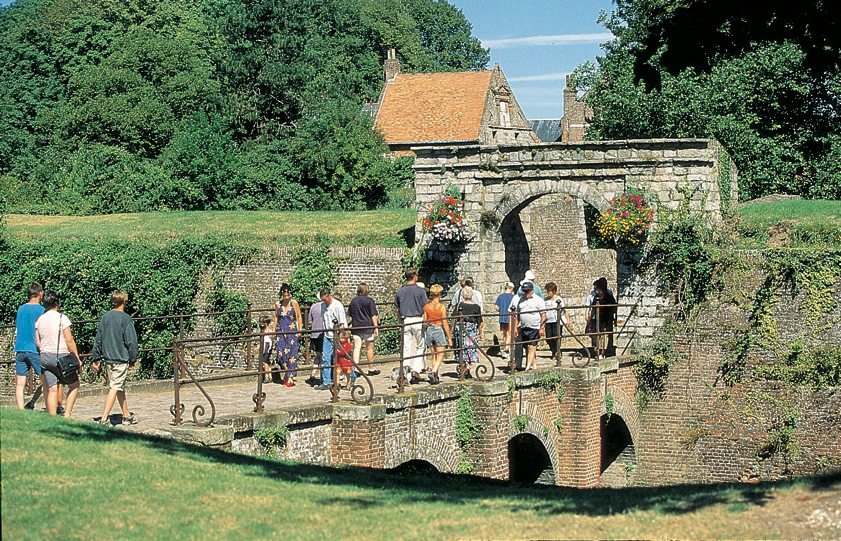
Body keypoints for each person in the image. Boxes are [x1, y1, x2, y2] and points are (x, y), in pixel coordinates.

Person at [91, 291, 139, 426]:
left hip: (108, 358)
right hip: (120, 358)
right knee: (114, 387)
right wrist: (132, 359)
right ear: (124, 302)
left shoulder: (105, 317)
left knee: (118, 386)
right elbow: (132, 341)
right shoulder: (125, 319)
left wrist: (96, 358)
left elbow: (98, 339)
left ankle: (126, 415)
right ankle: (104, 419)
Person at [34, 290, 82, 417]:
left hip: (45, 357)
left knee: (52, 388)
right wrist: (77, 357)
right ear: (57, 303)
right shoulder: (62, 318)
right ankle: (67, 414)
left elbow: (38, 343)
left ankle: (52, 417)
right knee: (74, 385)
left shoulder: (40, 320)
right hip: (60, 357)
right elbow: (69, 340)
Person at [394, 268, 428, 383]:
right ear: (414, 276)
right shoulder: (420, 291)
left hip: (406, 320)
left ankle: (405, 372)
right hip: (418, 319)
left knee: (406, 348)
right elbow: (425, 308)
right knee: (421, 346)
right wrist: (425, 321)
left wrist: (400, 321)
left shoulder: (400, 291)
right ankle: (416, 369)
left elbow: (397, 309)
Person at [14, 283, 46, 410]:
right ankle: (50, 408)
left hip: (20, 348)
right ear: (39, 293)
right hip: (34, 349)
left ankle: (21, 411)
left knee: (20, 383)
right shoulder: (41, 310)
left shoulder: (21, 309)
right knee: (47, 381)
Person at [315, 289, 347, 391]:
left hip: (336, 335)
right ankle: (327, 382)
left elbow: (342, 323)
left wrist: (340, 336)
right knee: (325, 358)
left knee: (342, 358)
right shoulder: (323, 306)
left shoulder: (338, 306)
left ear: (329, 296)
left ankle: (351, 376)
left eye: (325, 300)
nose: (324, 302)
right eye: (322, 300)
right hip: (327, 335)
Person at [509, 282, 546, 371]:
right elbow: (517, 315)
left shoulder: (538, 300)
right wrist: (515, 327)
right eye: (523, 291)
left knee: (531, 347)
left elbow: (544, 315)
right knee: (527, 347)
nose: (524, 293)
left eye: (526, 291)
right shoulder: (521, 300)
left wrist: (542, 327)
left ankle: (528, 366)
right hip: (524, 327)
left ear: (532, 291)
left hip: (535, 327)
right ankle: (534, 365)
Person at [274, 284, 302, 387]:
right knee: (280, 353)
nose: (286, 297)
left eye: (288, 295)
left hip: (291, 331)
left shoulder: (294, 303)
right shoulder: (278, 304)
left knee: (292, 354)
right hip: (281, 331)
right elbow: (276, 317)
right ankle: (286, 371)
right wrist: (274, 330)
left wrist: (300, 330)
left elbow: (298, 316)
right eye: (284, 295)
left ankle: (290, 376)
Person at [348, 283, 380, 377]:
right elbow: (373, 315)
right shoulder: (369, 301)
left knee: (357, 347)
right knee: (369, 348)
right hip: (368, 326)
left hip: (356, 326)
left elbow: (350, 313)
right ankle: (371, 368)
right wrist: (376, 327)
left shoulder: (353, 301)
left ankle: (356, 369)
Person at [423, 284, 452, 384]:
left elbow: (424, 321)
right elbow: (444, 322)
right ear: (440, 294)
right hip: (438, 329)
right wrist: (449, 337)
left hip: (430, 329)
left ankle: (435, 377)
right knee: (441, 354)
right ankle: (433, 372)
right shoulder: (441, 307)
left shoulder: (427, 306)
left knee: (434, 355)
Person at [456, 286, 484, 377]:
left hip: (462, 328)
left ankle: (464, 367)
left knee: (462, 346)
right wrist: (480, 333)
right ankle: (468, 367)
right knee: (470, 347)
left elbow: (456, 317)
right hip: (471, 329)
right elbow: (480, 321)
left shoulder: (460, 305)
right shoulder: (476, 307)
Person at [588, 277, 617, 358]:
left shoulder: (609, 298)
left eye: (598, 289)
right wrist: (590, 318)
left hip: (607, 320)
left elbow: (614, 309)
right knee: (598, 336)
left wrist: (614, 318)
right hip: (598, 320)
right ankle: (598, 352)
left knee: (605, 337)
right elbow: (593, 309)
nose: (597, 291)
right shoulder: (596, 298)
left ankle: (604, 353)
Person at [543, 282, 570, 362]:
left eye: (549, 291)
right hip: (548, 321)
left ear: (554, 291)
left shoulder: (559, 299)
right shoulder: (546, 300)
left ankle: (557, 352)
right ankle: (553, 350)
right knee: (549, 338)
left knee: (556, 337)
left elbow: (564, 310)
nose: (548, 293)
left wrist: (568, 320)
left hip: (557, 321)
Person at [306, 298, 325, 385]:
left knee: (318, 355)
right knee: (323, 356)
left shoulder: (313, 306)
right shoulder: (326, 306)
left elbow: (310, 321)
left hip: (314, 334)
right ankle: (323, 376)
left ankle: (313, 374)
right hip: (323, 334)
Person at [494, 282, 515, 359]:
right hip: (509, 317)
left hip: (502, 317)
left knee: (505, 334)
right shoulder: (513, 297)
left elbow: (496, 307)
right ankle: (507, 350)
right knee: (509, 333)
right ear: (511, 288)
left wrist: (501, 310)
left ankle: (505, 348)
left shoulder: (500, 296)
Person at [258, 315, 274, 384]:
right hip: (264, 346)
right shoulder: (263, 331)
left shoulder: (269, 331)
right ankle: (270, 376)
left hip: (267, 346)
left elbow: (272, 337)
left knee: (264, 361)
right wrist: (258, 346)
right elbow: (262, 340)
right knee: (266, 361)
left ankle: (266, 376)